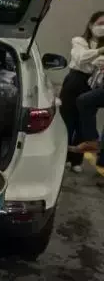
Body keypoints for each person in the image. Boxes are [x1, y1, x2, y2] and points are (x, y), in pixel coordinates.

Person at [61, 12, 104, 169]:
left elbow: (97, 66)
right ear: (91, 24)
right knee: (67, 120)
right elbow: (81, 58)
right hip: (74, 81)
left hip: (91, 84)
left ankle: (76, 160)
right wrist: (99, 53)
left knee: (83, 122)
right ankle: (63, 157)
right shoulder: (79, 41)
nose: (102, 27)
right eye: (100, 23)